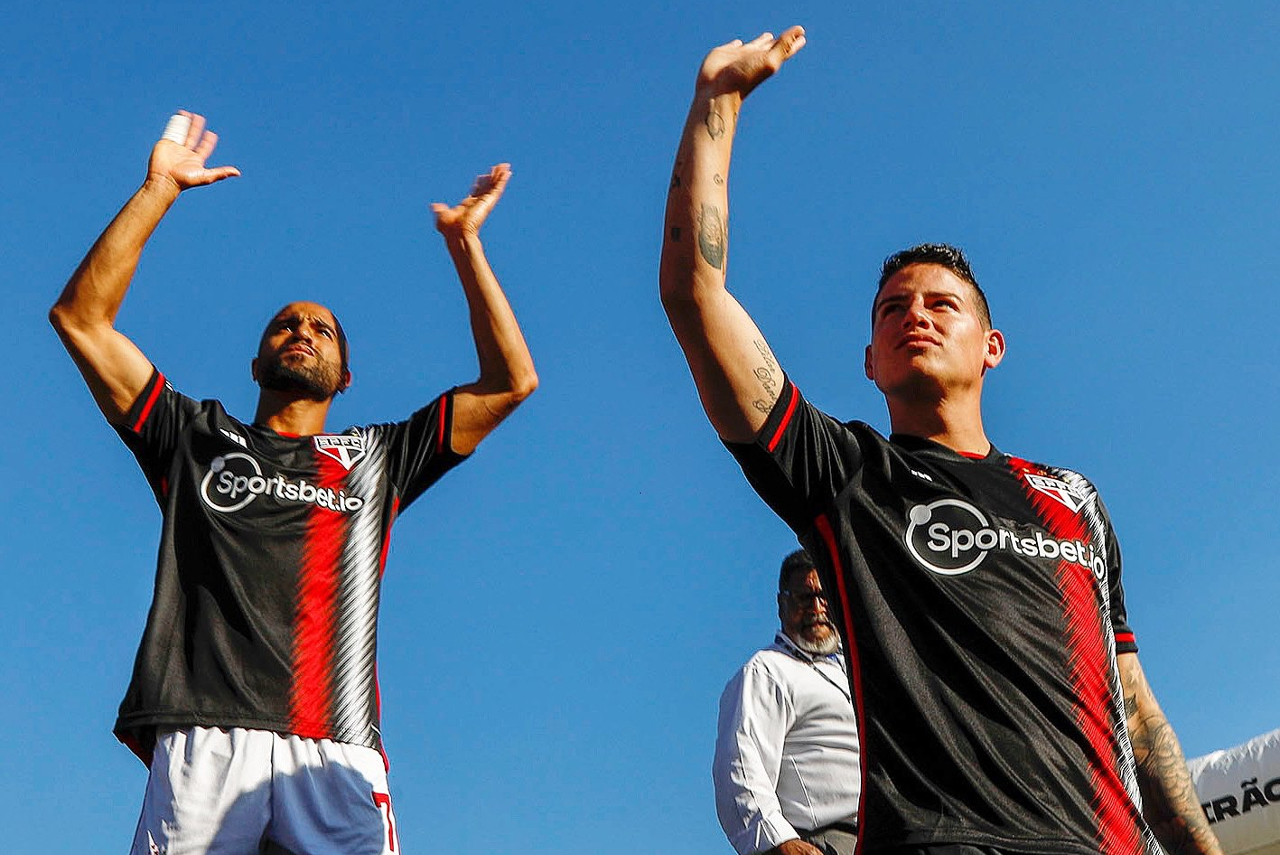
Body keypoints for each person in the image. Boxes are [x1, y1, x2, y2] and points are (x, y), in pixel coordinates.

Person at [660, 29, 1221, 855]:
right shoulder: (849, 476)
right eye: (892, 309)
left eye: (941, 304)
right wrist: (717, 106)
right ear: (870, 360)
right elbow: (693, 294)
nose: (914, 313)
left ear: (992, 347)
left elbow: (1135, 710)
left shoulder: (1074, 500)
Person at [50, 111, 537, 855]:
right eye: (284, 324)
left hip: (334, 743)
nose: (302, 331)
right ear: (256, 361)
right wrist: (158, 188)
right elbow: (82, 320)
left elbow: (511, 381)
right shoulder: (195, 436)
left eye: (322, 328)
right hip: (205, 735)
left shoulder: (377, 458)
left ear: (345, 376)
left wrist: (466, 243)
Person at [714, 550, 860, 855]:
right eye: (804, 598)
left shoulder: (857, 668)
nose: (817, 609)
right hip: (826, 840)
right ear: (782, 604)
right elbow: (740, 758)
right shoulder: (768, 670)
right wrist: (778, 841)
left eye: (825, 597)